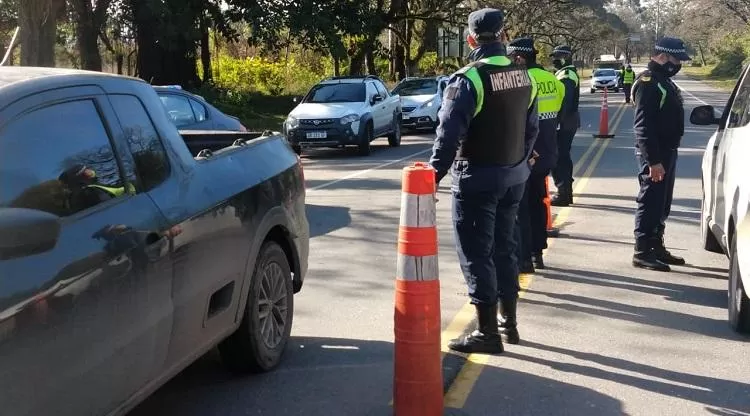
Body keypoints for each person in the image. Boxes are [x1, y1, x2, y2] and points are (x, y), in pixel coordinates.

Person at [428, 8, 539, 354]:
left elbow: (447, 136)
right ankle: (510, 324)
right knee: (506, 249)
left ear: (471, 39)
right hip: (514, 177)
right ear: (504, 36)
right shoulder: (526, 76)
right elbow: (531, 128)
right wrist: (522, 159)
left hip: (476, 179)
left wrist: (433, 176)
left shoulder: (468, 80)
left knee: (477, 255)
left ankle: (487, 333)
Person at [632, 37, 691, 272]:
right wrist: (653, 161)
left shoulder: (664, 81)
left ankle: (656, 246)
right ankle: (642, 251)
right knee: (650, 201)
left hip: (668, 151)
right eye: (676, 59)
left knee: (662, 203)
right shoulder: (648, 82)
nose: (678, 64)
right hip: (655, 154)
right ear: (664, 57)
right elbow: (643, 126)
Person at [549, 45, 580, 207]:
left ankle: (563, 192)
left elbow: (565, 101)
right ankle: (566, 192)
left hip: (564, 122)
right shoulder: (564, 72)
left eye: (557, 56)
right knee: (562, 156)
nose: (554, 59)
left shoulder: (567, 74)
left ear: (566, 57)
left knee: (559, 157)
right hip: (567, 121)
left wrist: (556, 121)